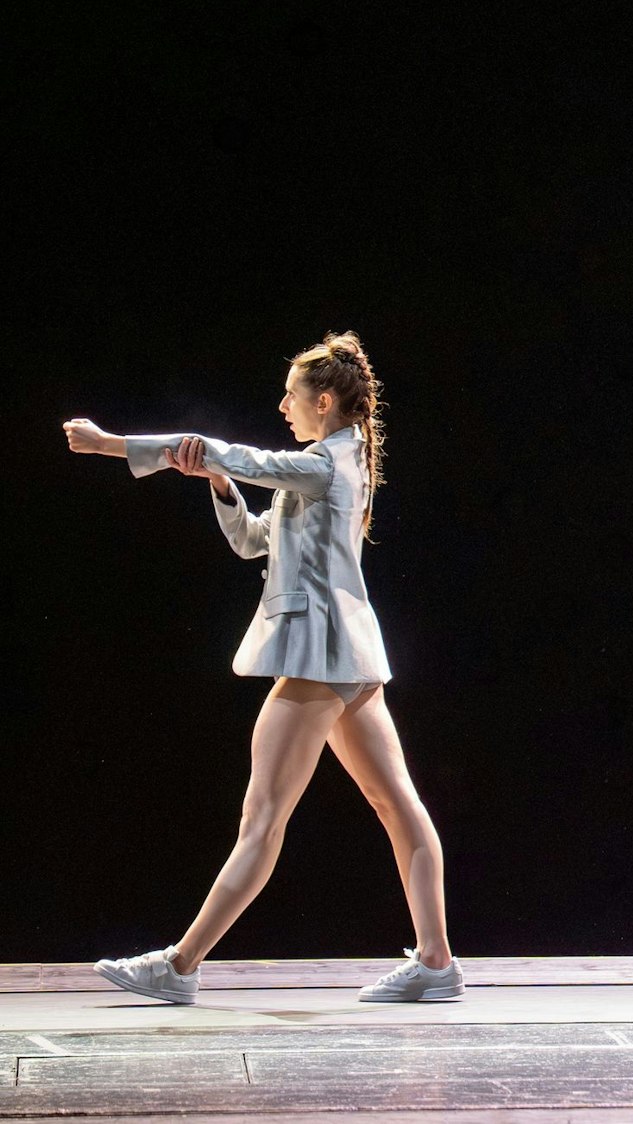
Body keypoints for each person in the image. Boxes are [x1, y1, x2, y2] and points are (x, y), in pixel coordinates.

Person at [64, 332, 461, 1004]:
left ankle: (180, 965)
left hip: (319, 654)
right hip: (349, 659)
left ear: (325, 401)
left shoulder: (328, 464)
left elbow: (234, 451)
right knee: (394, 803)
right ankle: (436, 961)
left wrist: (110, 445)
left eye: (292, 396)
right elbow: (254, 541)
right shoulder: (329, 462)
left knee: (266, 816)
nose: (283, 406)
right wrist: (219, 486)